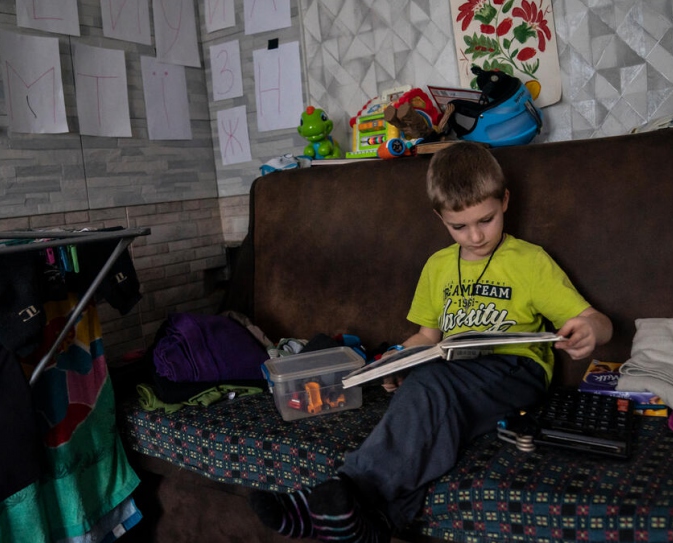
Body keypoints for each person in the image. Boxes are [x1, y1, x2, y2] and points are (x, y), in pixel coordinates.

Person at [249, 141, 613, 542]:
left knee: (429, 388)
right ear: (440, 217)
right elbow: (427, 336)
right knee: (429, 409)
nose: (475, 236)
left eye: (486, 220)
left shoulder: (529, 261)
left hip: (516, 370)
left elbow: (595, 320)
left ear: (505, 201)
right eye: (459, 226)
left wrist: (590, 332)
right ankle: (373, 525)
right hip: (456, 372)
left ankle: (335, 495)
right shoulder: (438, 267)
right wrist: (398, 360)